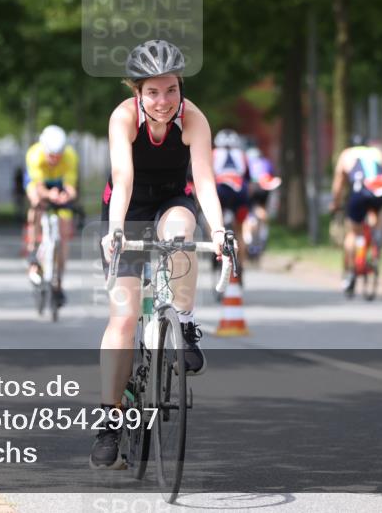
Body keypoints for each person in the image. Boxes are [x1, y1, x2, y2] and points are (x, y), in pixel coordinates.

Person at [92, 39, 229, 470]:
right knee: (124, 316)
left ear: (180, 87)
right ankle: (109, 422)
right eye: (153, 91)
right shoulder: (123, 119)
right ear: (138, 92)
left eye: (171, 89)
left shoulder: (194, 119)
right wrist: (116, 230)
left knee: (181, 231)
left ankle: (183, 323)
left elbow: (204, 181)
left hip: (173, 201)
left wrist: (222, 231)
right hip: (127, 208)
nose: (164, 100)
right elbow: (123, 177)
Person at [329, 133, 382, 293]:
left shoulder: (346, 154)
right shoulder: (377, 152)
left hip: (360, 191)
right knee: (375, 214)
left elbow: (338, 183)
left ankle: (351, 271)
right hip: (381, 189)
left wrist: (335, 203)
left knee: (353, 232)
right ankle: (377, 236)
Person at [24, 124, 79, 307]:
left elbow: (71, 187)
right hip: (39, 183)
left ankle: (58, 283)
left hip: (59, 183)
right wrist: (49, 196)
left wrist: (66, 196)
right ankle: (33, 248)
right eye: (51, 156)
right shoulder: (35, 154)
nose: (55, 159)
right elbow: (38, 187)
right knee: (35, 202)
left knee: (63, 235)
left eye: (58, 156)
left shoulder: (70, 156)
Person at [212, 128, 252, 270]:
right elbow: (248, 177)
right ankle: (240, 266)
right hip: (241, 191)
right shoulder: (242, 155)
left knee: (213, 220)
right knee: (240, 230)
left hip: (221, 189)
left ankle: (214, 247)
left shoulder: (214, 154)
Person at [244, 146, 281, 257]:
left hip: (253, 187)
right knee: (262, 211)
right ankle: (262, 237)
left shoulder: (247, 162)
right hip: (266, 187)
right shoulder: (266, 162)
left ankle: (249, 241)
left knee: (248, 214)